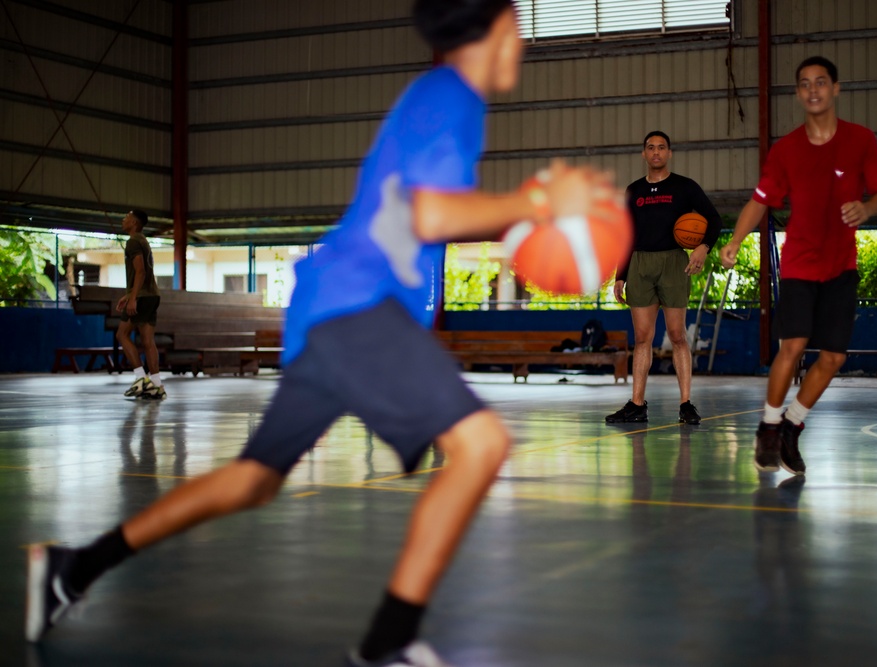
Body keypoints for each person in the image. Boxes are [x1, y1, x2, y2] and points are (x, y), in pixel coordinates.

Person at [25, 2, 608, 665]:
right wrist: (533, 204)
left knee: (253, 479)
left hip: (332, 307)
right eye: (518, 23)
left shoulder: (441, 97)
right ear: (499, 27)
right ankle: (388, 641)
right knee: (480, 445)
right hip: (356, 309)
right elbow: (427, 210)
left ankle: (71, 567)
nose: (523, 40)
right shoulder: (451, 94)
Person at [720, 56, 877, 475]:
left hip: (841, 266)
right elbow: (760, 200)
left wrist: (866, 208)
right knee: (792, 347)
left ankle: (793, 426)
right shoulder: (787, 150)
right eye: (804, 84)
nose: (813, 90)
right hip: (799, 263)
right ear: (798, 93)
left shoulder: (860, 140)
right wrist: (736, 239)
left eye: (820, 82)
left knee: (833, 356)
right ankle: (769, 426)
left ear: (836, 88)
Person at [605, 131, 722, 426]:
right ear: (643, 154)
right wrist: (620, 275)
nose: (656, 152)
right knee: (642, 338)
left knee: (677, 335)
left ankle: (685, 404)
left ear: (669, 153)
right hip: (640, 263)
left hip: (673, 261)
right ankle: (636, 405)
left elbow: (714, 219)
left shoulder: (685, 187)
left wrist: (703, 247)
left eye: (661, 147)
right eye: (650, 148)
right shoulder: (633, 191)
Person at [116, 209, 166, 400]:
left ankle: (140, 380)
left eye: (126, 217)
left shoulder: (133, 241)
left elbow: (141, 272)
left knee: (122, 334)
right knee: (147, 341)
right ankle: (156, 385)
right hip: (153, 295)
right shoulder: (144, 240)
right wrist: (129, 294)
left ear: (134, 223)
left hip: (143, 297)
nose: (123, 219)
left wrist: (133, 297)